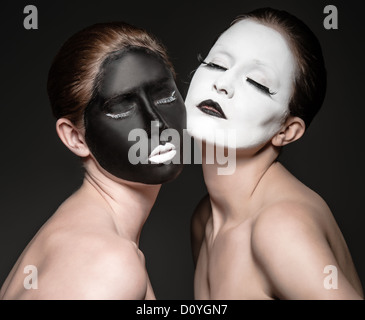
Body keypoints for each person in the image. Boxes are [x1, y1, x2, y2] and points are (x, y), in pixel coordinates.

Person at [186, 7, 363, 299]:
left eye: (257, 82)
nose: (223, 85)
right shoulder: (204, 218)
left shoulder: (279, 227)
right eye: (216, 65)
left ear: (287, 130)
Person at [0, 21, 186, 299]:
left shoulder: (78, 234)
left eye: (165, 95)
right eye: (122, 108)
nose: (157, 123)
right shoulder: (107, 264)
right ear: (75, 137)